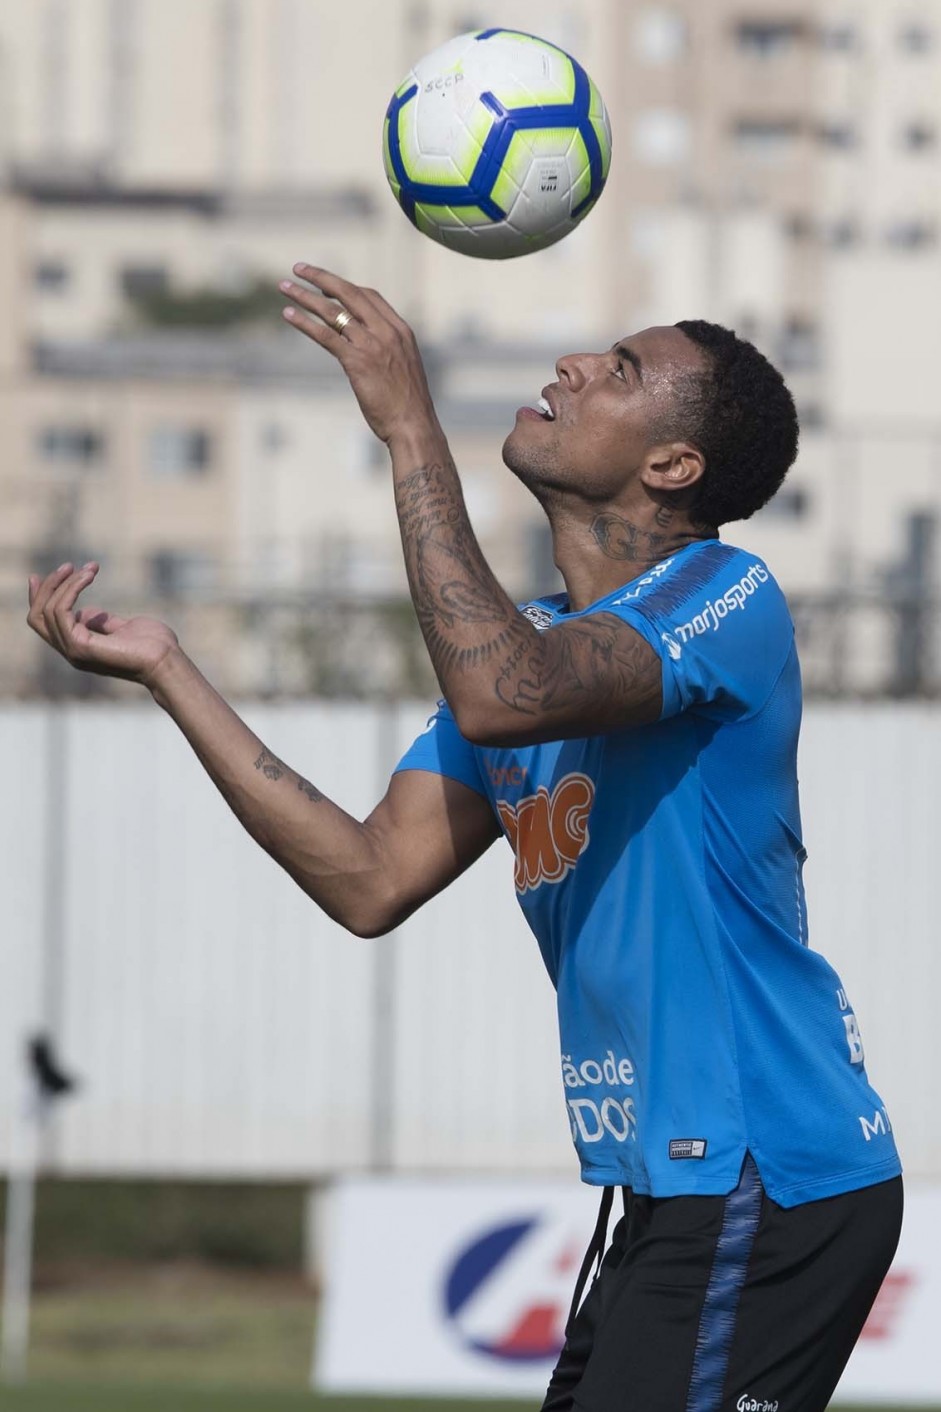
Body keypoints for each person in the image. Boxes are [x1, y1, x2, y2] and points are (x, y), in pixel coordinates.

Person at [27, 265, 902, 1412]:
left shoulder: (723, 597)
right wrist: (167, 670)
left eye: (623, 368)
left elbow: (505, 693)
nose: (575, 365)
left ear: (672, 466)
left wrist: (407, 430)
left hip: (767, 1175)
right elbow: (367, 875)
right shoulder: (532, 644)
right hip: (671, 1190)